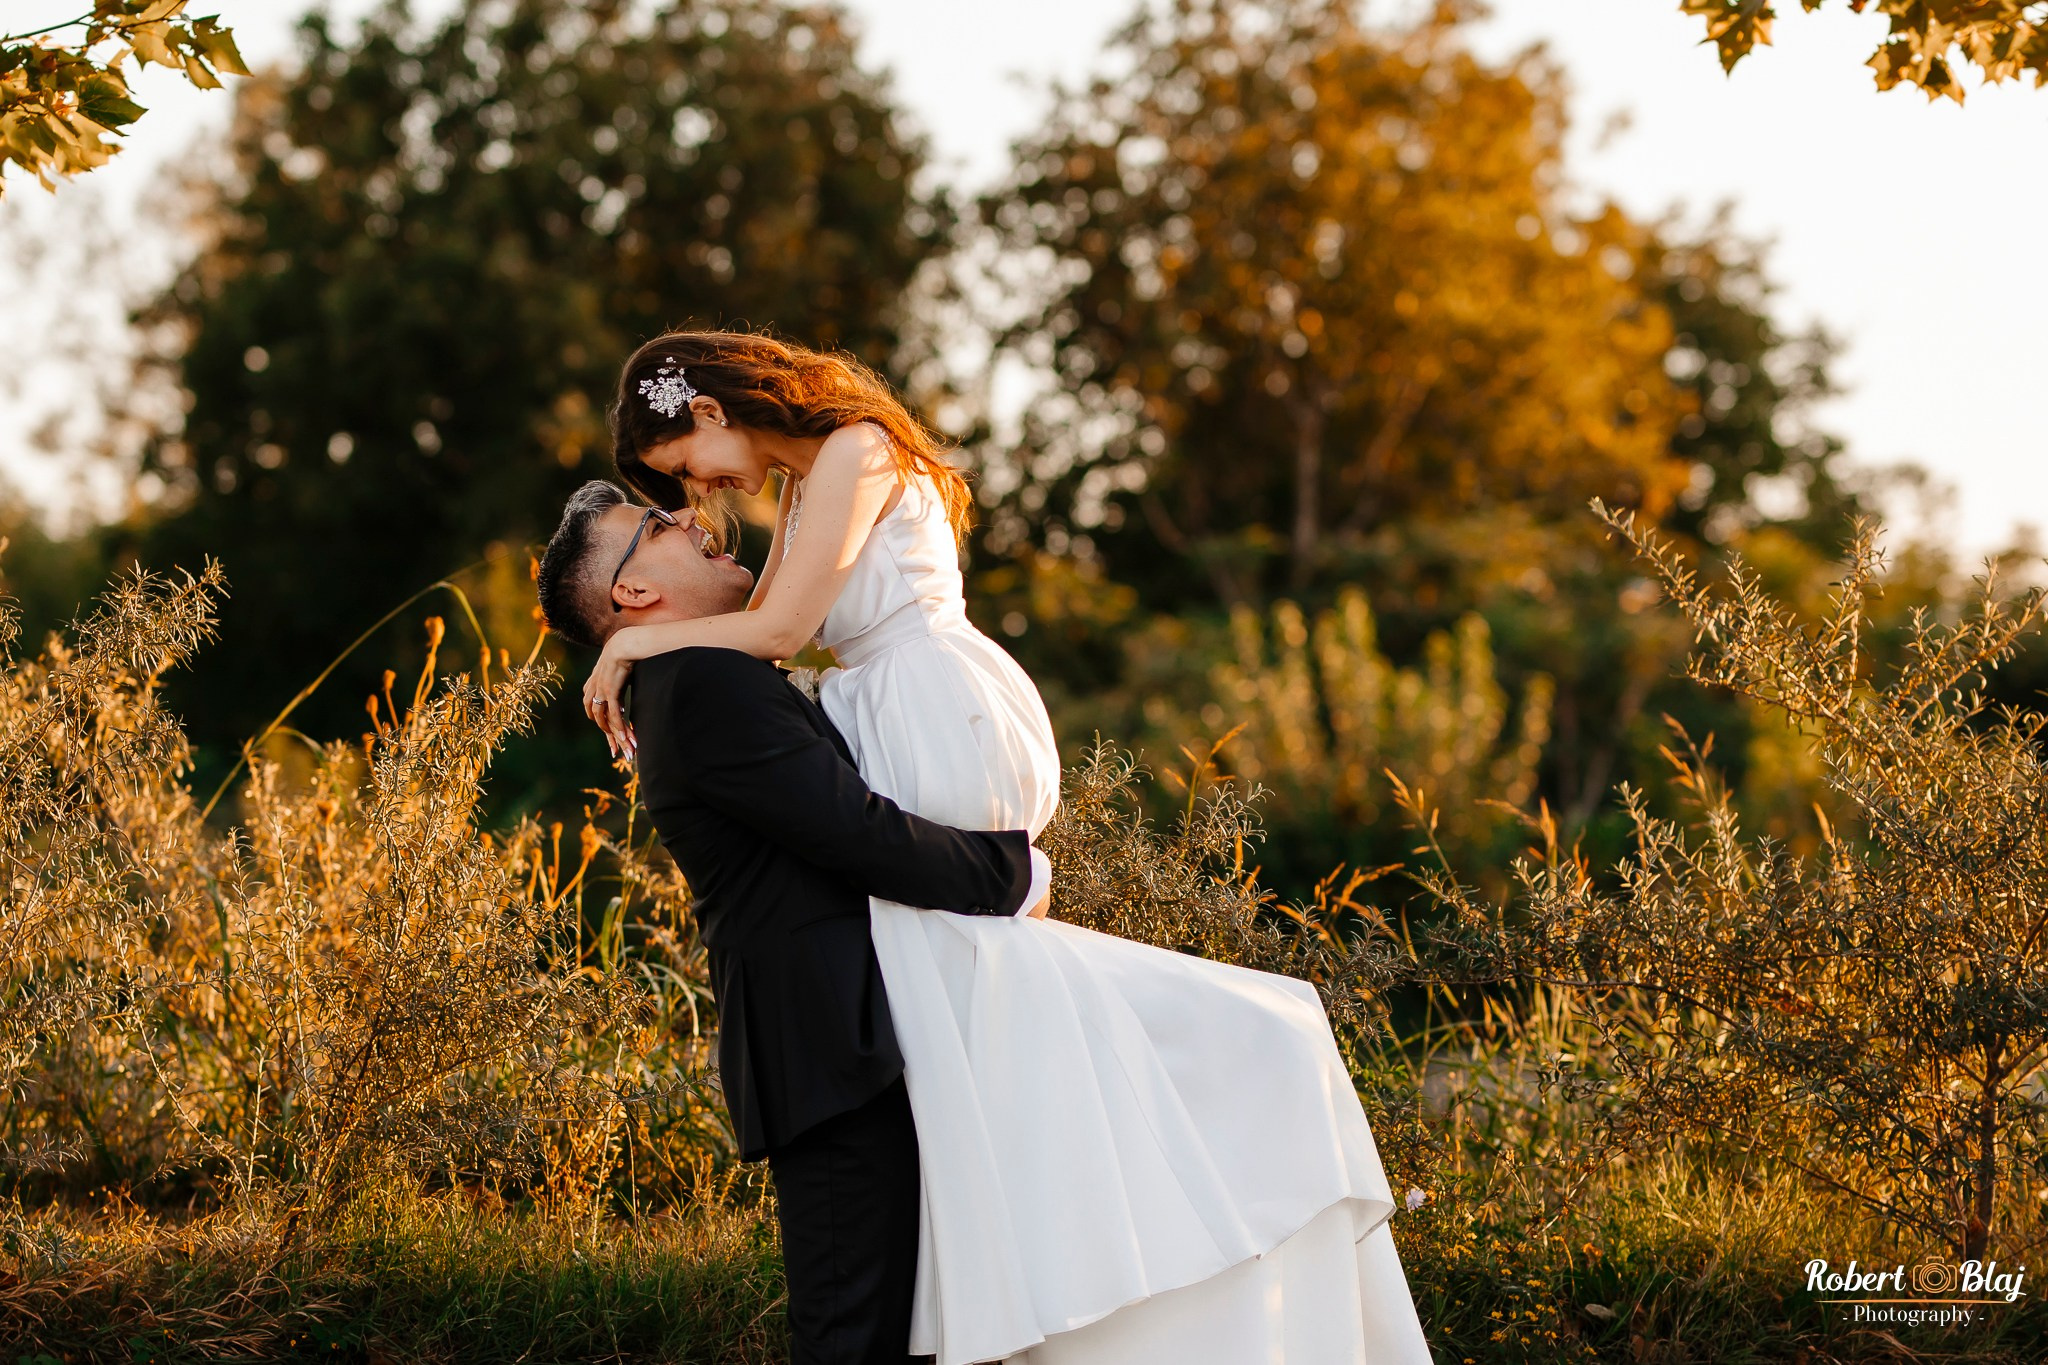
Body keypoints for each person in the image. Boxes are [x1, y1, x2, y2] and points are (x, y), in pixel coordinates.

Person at [578, 329, 1434, 1365]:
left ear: (708, 411)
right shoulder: (805, 485)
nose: (703, 496)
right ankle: (1036, 1240)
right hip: (886, 720)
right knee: (977, 1011)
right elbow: (769, 636)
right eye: (676, 493)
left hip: (932, 708)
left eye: (684, 469)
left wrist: (635, 638)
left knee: (973, 976)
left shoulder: (852, 449)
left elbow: (771, 633)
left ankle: (1079, 1232)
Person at [535, 481, 1054, 1364]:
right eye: (660, 525)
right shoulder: (698, 685)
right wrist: (1014, 872)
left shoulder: (696, 669)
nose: (695, 519)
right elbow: (848, 827)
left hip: (848, 1044)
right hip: (829, 1056)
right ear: (631, 592)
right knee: (850, 1338)